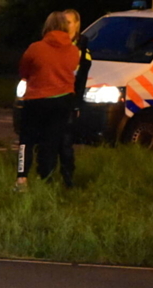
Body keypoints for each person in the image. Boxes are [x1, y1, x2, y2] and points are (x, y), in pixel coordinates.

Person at [15, 11, 79, 190]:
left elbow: (24, 71)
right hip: (62, 101)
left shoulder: (36, 48)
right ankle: (46, 178)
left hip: (36, 100)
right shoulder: (74, 51)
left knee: (26, 140)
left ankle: (21, 179)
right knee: (51, 141)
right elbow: (73, 69)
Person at [60, 8, 92, 188]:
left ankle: (67, 178)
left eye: (69, 22)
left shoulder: (82, 48)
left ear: (77, 24)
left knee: (65, 142)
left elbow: (81, 79)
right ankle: (46, 175)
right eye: (63, 21)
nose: (66, 25)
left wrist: (77, 104)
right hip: (54, 96)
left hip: (70, 98)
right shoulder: (56, 42)